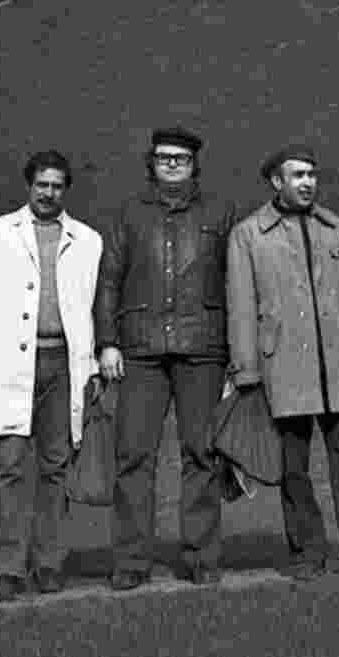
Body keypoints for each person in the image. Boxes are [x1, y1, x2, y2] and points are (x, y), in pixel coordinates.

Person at [226, 145, 339, 580]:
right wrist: (246, 370)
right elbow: (241, 308)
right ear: (276, 182)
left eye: (312, 174)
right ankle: (308, 553)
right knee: (293, 467)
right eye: (297, 175)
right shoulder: (248, 236)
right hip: (283, 368)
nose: (307, 182)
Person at [94, 127, 236, 589]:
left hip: (204, 350)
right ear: (151, 163)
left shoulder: (221, 212)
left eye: (180, 157)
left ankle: (200, 558)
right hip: (140, 351)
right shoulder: (130, 214)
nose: (171, 164)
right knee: (134, 455)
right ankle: (132, 562)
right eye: (162, 157)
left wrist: (239, 354)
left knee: (202, 454)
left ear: (195, 163)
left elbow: (237, 284)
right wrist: (107, 342)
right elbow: (109, 280)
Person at [0, 150, 102, 602]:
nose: (49, 193)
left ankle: (48, 562)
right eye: (42, 185)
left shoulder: (87, 240)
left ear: (66, 190)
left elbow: (94, 308)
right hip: (13, 366)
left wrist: (94, 365)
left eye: (57, 186)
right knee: (9, 468)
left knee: (56, 468)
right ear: (29, 186)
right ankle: (5, 568)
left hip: (65, 364)